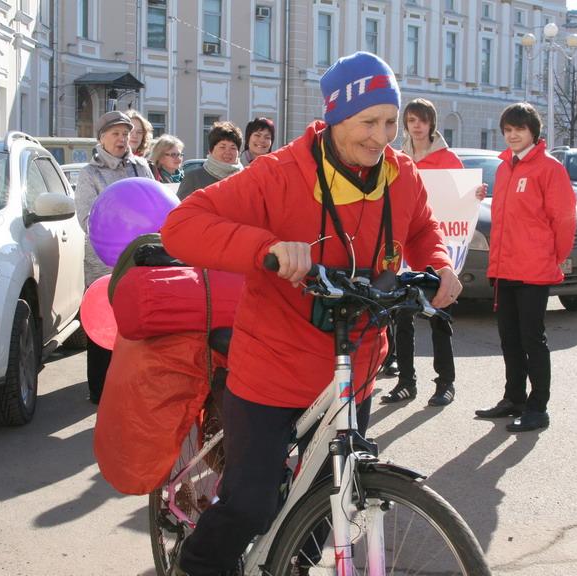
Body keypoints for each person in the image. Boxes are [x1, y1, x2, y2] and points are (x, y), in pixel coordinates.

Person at [161, 51, 461, 576]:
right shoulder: (279, 174)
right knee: (251, 504)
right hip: (273, 368)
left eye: (390, 122)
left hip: (356, 368)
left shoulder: (402, 176)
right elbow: (182, 226)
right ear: (334, 116)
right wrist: (267, 247)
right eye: (368, 121)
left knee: (330, 504)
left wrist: (439, 265)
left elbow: (420, 228)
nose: (381, 136)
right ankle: (197, 564)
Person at [475, 102, 576, 432]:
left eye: (519, 129)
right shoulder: (505, 168)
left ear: (534, 131)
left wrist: (554, 257)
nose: (512, 134)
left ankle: (538, 407)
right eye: (507, 130)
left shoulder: (549, 168)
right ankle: (514, 397)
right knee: (509, 338)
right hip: (504, 268)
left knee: (532, 339)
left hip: (533, 269)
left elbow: (563, 218)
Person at [381, 98, 486, 407]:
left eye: (422, 120)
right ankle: (406, 382)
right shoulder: (399, 159)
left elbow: (462, 199)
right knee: (402, 317)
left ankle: (445, 383)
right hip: (404, 248)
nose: (416, 125)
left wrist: (475, 194)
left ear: (431, 124)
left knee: (440, 315)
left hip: (440, 248)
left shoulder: (448, 158)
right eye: (411, 120)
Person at [75, 111, 153, 404]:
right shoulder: (90, 173)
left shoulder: (141, 167)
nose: (122, 139)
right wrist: (119, 224)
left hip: (140, 260)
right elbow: (85, 217)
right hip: (103, 263)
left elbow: (152, 203)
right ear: (101, 138)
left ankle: (135, 386)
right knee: (103, 326)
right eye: (115, 134)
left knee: (138, 323)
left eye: (125, 133)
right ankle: (99, 390)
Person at [177, 121, 243, 201]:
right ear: (210, 150)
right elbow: (181, 210)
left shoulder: (245, 178)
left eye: (233, 148)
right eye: (222, 147)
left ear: (238, 152)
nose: (228, 152)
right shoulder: (193, 178)